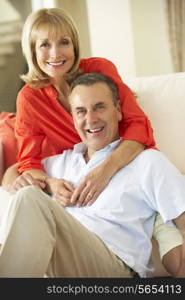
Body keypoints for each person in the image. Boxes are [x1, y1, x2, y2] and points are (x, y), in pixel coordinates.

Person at [0, 72, 184, 278]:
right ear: (73, 118)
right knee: (27, 196)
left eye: (99, 107)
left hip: (114, 267)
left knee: (30, 196)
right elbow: (13, 172)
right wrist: (41, 182)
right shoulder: (62, 163)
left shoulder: (147, 161)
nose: (91, 119)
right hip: (61, 269)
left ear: (118, 111)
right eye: (80, 111)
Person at [2, 7, 155, 207]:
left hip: (123, 162)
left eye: (64, 42)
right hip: (76, 175)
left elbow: (139, 127)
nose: (55, 54)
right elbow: (30, 161)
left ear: (74, 45)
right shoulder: (30, 98)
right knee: (12, 176)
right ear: (32, 50)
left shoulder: (101, 69)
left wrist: (105, 171)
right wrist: (50, 183)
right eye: (44, 45)